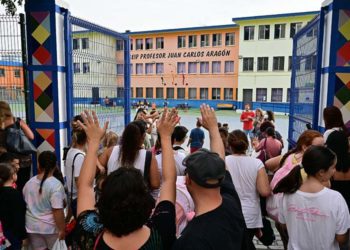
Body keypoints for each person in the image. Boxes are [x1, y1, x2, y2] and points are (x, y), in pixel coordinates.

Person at [73, 109, 178, 249]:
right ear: (146, 206)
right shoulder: (161, 233)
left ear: (103, 202)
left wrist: (93, 142)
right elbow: (169, 181)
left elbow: (85, 186)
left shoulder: (89, 232)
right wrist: (165, 137)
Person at [173, 105, 247, 250]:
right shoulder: (231, 202)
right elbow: (220, 162)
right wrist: (213, 128)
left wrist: (164, 137)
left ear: (187, 180)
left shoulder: (191, 240)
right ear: (220, 178)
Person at [274, 146, 350, 250]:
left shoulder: (288, 194)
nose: (335, 171)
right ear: (321, 172)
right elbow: (341, 238)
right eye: (333, 167)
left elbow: (284, 225)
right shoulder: (336, 198)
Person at [226, 130, 271, 249]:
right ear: (247, 144)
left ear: (229, 145)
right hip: (250, 214)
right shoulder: (257, 163)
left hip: (229, 212)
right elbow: (264, 191)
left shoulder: (224, 162)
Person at [99, 120, 160, 196]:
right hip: (137, 201)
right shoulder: (149, 156)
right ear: (143, 136)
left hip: (112, 199)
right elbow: (155, 184)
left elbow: (96, 171)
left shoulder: (110, 151)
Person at [23, 151, 66, 249]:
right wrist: (62, 229)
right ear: (55, 165)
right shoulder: (56, 185)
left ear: (38, 165)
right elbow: (57, 210)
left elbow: (26, 202)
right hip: (50, 229)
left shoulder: (29, 183)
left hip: (32, 227)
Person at [0, 101, 34, 193]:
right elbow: (31, 136)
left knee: (7, 186)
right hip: (24, 161)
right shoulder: (18, 121)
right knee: (23, 186)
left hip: (6, 161)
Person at [65, 115, 87, 218]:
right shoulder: (80, 156)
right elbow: (78, 181)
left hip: (72, 195)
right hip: (78, 197)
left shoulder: (70, 151)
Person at [0, 163, 27, 249]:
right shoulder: (14, 194)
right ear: (12, 176)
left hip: (2, 231)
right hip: (13, 233)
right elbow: (19, 216)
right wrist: (23, 236)